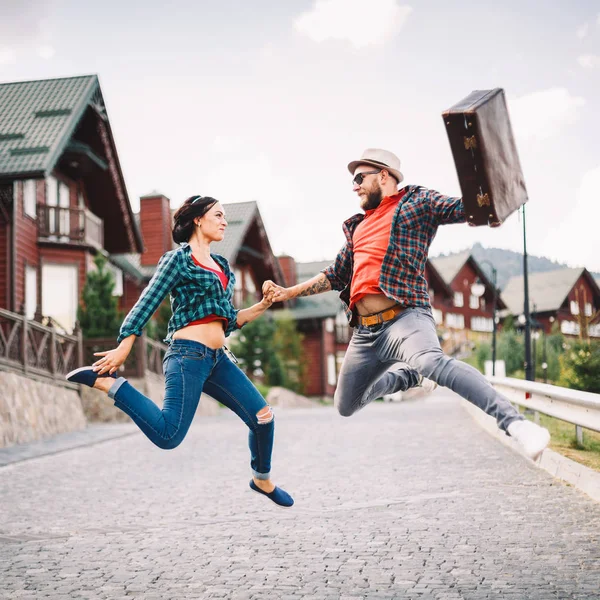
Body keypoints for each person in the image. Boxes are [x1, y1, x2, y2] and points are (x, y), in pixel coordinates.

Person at [266, 149, 550, 460]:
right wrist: (287, 292)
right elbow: (335, 275)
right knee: (346, 404)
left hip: (405, 319)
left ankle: (516, 424)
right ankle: (410, 376)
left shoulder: (417, 202)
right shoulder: (357, 227)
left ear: (384, 176)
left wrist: (492, 202)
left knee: (432, 362)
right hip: (364, 334)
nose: (355, 186)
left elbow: (464, 208)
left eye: (360, 178)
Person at [66, 195, 294, 507]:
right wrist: (124, 344)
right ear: (199, 219)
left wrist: (264, 304)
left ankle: (262, 479)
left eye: (225, 216)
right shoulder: (179, 260)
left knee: (263, 417)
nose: (224, 221)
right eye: (218, 215)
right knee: (168, 435)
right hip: (187, 356)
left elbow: (229, 321)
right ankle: (109, 383)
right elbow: (148, 300)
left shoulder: (224, 267)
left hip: (218, 360)